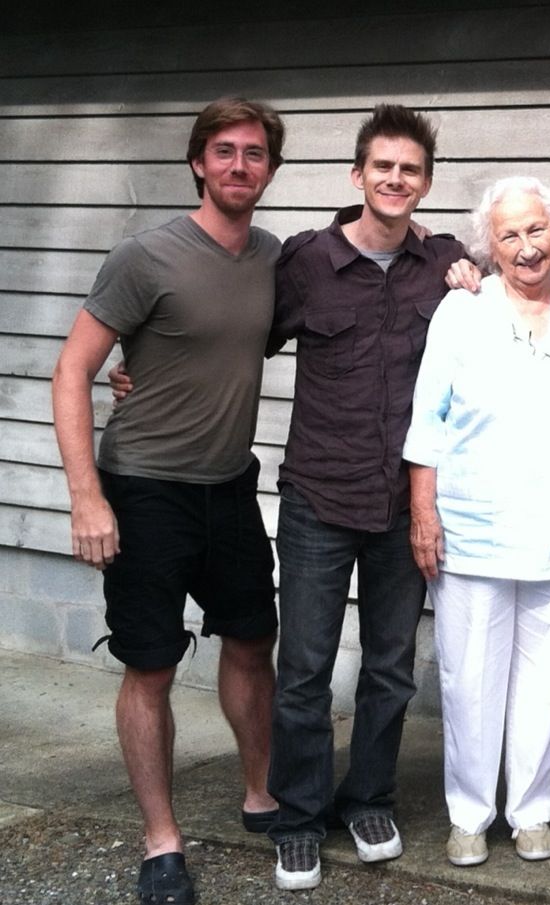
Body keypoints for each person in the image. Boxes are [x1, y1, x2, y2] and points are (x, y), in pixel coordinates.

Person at [52, 97, 285, 905]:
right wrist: (87, 497)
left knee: (254, 640)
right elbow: (73, 370)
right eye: (223, 151)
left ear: (270, 169)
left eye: (254, 154)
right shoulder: (144, 256)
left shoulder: (271, 258)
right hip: (146, 489)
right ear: (198, 161)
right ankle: (162, 840)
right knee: (149, 663)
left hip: (232, 485)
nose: (238, 166)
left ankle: (261, 791)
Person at [264, 104, 467, 891]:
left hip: (405, 504)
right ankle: (299, 814)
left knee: (390, 664)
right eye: (382, 166)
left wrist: (475, 282)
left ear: (425, 182)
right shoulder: (306, 261)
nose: (395, 179)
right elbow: (238, 335)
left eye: (410, 170)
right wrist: (142, 371)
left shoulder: (445, 261)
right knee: (306, 666)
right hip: (319, 492)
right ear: (357, 176)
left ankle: (370, 796)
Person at [404, 177, 550, 867]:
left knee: (548, 683)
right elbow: (426, 419)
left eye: (537, 230)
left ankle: (532, 811)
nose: (526, 247)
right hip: (472, 527)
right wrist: (422, 511)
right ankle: (469, 812)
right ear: (489, 246)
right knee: (470, 679)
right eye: (510, 234)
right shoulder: (462, 309)